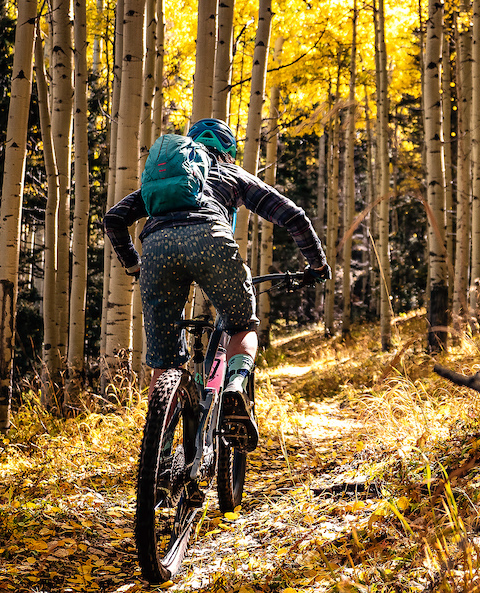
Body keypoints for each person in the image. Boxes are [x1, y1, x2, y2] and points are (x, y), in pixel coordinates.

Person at [104, 118, 330, 451]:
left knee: (164, 362)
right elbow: (292, 215)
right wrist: (317, 264)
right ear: (227, 152)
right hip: (210, 240)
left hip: (156, 248)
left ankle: (158, 455)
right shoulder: (231, 175)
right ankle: (236, 386)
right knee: (242, 325)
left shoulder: (170, 180)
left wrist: (135, 265)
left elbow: (113, 219)